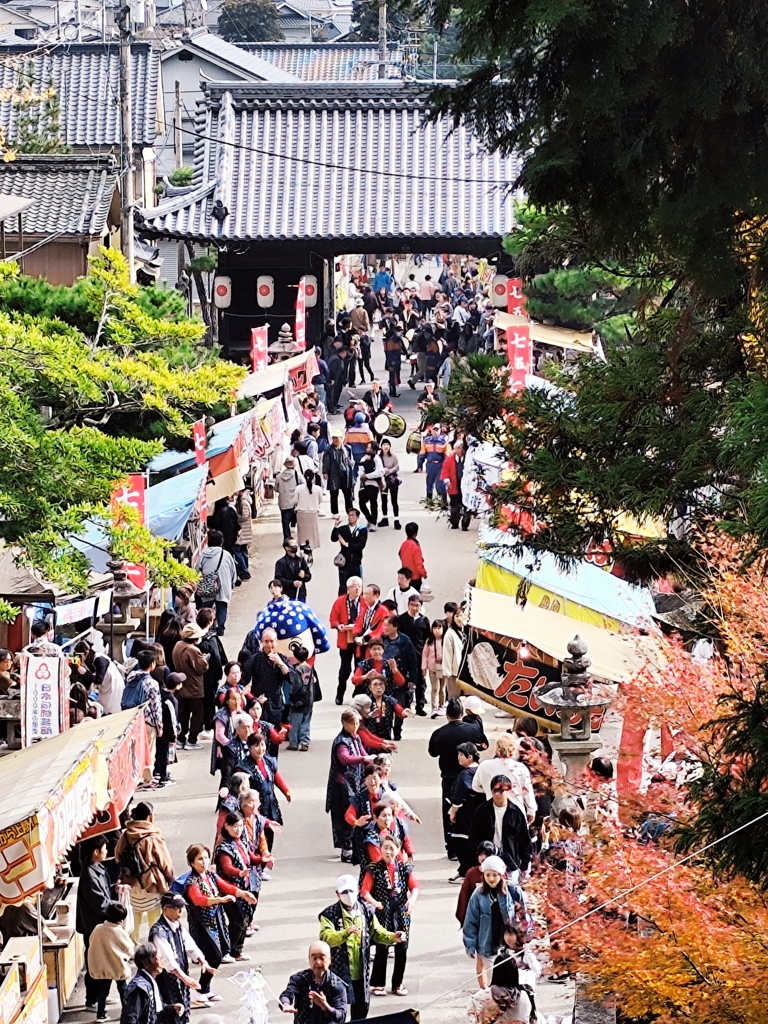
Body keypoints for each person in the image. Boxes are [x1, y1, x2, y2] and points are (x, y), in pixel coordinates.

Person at [318, 876, 404, 1020]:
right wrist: (345, 933)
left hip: (361, 972)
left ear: (357, 891)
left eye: (351, 891)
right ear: (337, 894)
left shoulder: (366, 910)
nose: (349, 896)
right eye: (344, 892)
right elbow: (327, 937)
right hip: (338, 973)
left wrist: (393, 937)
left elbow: (377, 932)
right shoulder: (330, 914)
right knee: (337, 1012)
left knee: (361, 1010)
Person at [183, 844, 253, 990]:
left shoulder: (209, 875)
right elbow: (198, 899)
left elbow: (224, 886)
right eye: (200, 859)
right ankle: (201, 990)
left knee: (216, 956)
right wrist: (219, 900)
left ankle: (204, 989)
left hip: (216, 920)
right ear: (191, 862)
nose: (204, 862)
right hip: (202, 925)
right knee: (214, 956)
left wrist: (242, 893)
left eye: (206, 858)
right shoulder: (192, 882)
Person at [428, 698, 487, 860]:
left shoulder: (439, 733)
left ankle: (452, 848)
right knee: (471, 812)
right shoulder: (473, 730)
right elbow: (483, 744)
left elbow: (433, 752)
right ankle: (473, 845)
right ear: (462, 714)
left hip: (449, 778)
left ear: (447, 715)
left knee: (449, 813)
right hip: (472, 777)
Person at [361, 834, 419, 997]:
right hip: (383, 912)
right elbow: (364, 891)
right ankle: (377, 984)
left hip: (401, 911)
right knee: (382, 946)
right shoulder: (373, 868)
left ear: (397, 850)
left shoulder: (404, 867)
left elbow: (414, 886)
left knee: (402, 947)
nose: (388, 851)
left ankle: (397, 984)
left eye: (391, 848)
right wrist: (375, 903)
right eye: (385, 847)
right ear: (381, 849)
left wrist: (412, 900)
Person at [76, 835, 126, 1011]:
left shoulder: (98, 868)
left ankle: (99, 996)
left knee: (104, 961)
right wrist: (118, 908)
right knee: (95, 962)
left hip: (101, 925)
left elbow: (105, 894)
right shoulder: (89, 875)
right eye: (104, 849)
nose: (107, 852)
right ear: (96, 852)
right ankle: (92, 999)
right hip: (93, 926)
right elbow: (100, 904)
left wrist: (116, 890)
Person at [115, 801, 175, 943]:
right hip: (151, 884)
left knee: (133, 918)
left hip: (131, 884)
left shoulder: (126, 835)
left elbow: (118, 856)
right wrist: (171, 879)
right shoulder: (153, 837)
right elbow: (165, 862)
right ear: (149, 817)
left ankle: (130, 947)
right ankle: (155, 945)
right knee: (154, 919)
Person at [150, 892, 218, 1014]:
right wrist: (184, 977)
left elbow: (190, 945)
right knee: (172, 1010)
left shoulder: (177, 925)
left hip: (181, 974)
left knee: (184, 1008)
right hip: (167, 978)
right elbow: (168, 959)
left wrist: (202, 961)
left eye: (182, 908)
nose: (181, 911)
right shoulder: (159, 931)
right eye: (177, 908)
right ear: (166, 909)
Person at [462, 856, 523, 989]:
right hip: (488, 945)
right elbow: (471, 921)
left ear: (501, 874)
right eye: (487, 875)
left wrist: (525, 933)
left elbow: (526, 913)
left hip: (510, 944)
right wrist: (470, 944)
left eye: (494, 875)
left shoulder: (512, 890)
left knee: (513, 979)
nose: (491, 878)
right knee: (494, 982)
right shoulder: (478, 895)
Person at [326, 710, 374, 862]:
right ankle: (346, 849)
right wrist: (363, 758)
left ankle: (354, 846)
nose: (355, 726)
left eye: (357, 723)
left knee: (356, 812)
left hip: (356, 782)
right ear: (344, 723)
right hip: (342, 785)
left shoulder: (356, 738)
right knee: (344, 816)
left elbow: (362, 753)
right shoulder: (341, 742)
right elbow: (345, 758)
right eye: (352, 723)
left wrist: (374, 762)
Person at [467, 776, 533, 882]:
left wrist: (525, 865)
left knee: (510, 894)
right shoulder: (482, 811)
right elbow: (473, 838)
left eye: (502, 791)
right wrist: (475, 861)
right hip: (487, 860)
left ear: (509, 791)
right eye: (495, 791)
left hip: (510, 863)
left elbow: (524, 840)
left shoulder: (516, 813)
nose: (498, 794)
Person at [213, 812, 259, 960]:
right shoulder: (224, 847)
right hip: (229, 890)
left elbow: (251, 858)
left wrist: (263, 859)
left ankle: (237, 951)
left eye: (240, 826)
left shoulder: (241, 842)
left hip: (243, 888)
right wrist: (240, 873)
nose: (238, 829)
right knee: (237, 920)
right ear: (226, 826)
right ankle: (228, 950)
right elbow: (227, 868)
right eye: (234, 826)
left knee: (245, 919)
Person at [237, 733, 292, 841]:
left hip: (270, 805)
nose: (260, 749)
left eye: (262, 745)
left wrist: (286, 792)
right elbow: (242, 793)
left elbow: (277, 777)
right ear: (250, 747)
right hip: (254, 807)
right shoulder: (243, 767)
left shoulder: (269, 761)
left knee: (270, 833)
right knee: (256, 837)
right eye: (256, 746)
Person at [278, 942, 347, 1024]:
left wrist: (325, 1006)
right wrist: (285, 1004)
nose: (318, 962)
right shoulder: (299, 979)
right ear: (309, 960)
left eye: (322, 958)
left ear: (330, 960)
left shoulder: (337, 985)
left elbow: (341, 1017)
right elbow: (287, 994)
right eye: (314, 958)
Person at [471, 736, 537, 822]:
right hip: (517, 813)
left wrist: (488, 789)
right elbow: (527, 792)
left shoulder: (484, 765)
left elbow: (475, 786)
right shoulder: (521, 768)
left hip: (493, 810)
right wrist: (531, 810)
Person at [121, 650, 163, 785]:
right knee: (149, 750)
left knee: (134, 749)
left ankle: (135, 776)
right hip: (147, 720)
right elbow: (156, 707)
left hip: (132, 718)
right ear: (152, 664)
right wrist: (159, 725)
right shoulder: (152, 683)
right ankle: (147, 778)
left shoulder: (131, 677)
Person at [86, 902, 133, 1021]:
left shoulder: (98, 929)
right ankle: (127, 1012)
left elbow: (92, 942)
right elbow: (129, 949)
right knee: (123, 990)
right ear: (121, 920)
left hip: (103, 966)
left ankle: (100, 1014)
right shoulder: (119, 932)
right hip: (118, 966)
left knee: (103, 990)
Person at [242, 627, 293, 730]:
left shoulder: (282, 658)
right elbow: (243, 681)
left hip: (276, 704)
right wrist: (253, 699)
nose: (269, 645)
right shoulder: (255, 659)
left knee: (274, 736)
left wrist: (280, 663)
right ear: (261, 642)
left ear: (276, 642)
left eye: (272, 641)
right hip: (259, 704)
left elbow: (291, 678)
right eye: (266, 641)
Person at [120, 943, 183, 1024]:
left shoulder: (150, 982)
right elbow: (130, 1018)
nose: (162, 962)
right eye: (158, 959)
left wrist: (172, 1009)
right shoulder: (139, 988)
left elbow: (154, 1011)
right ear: (146, 964)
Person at [448, 743, 483, 879]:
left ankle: (465, 872)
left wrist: (453, 811)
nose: (458, 757)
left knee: (462, 842)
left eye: (461, 755)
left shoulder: (465, 774)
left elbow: (459, 796)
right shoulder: (481, 771)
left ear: (470, 757)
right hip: (479, 813)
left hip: (466, 813)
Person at [172, 622, 209, 750]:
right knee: (197, 715)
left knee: (183, 714)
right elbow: (202, 667)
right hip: (194, 687)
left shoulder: (178, 645)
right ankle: (192, 740)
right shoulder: (193, 650)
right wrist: (206, 659)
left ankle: (181, 738)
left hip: (182, 686)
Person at [381, 617, 419, 736]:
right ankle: (385, 730)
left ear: (395, 627)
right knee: (384, 707)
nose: (385, 628)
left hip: (400, 679)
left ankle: (397, 729)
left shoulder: (405, 641)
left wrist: (412, 679)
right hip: (383, 680)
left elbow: (412, 661)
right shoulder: (382, 639)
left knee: (399, 705)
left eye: (387, 626)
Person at [196, 529, 237, 636]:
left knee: (206, 606)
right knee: (222, 606)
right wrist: (232, 583)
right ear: (221, 541)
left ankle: (205, 626)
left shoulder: (204, 555)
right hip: (223, 585)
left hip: (208, 586)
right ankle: (220, 627)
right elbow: (233, 571)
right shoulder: (226, 555)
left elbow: (197, 570)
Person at [329, 576, 362, 705]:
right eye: (355, 586)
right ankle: (340, 692)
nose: (357, 589)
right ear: (348, 588)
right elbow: (333, 618)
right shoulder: (340, 601)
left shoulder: (364, 601)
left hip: (360, 639)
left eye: (359, 586)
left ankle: (358, 692)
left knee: (359, 667)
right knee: (345, 668)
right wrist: (338, 625)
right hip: (345, 638)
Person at [397, 594, 430, 716]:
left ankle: (420, 706)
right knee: (406, 681)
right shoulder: (401, 619)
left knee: (421, 682)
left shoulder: (424, 621)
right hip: (405, 655)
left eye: (417, 605)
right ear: (408, 604)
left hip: (420, 654)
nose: (414, 608)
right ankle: (406, 705)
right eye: (412, 605)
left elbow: (427, 639)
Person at [197, 606, 226, 735]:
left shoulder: (195, 638)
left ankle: (202, 725)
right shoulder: (211, 639)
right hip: (210, 676)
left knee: (203, 702)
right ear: (210, 621)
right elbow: (217, 659)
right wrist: (219, 675)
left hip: (198, 675)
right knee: (209, 702)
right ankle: (208, 726)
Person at [363, 674, 414, 741]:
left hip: (386, 738)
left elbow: (398, 709)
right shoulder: (365, 701)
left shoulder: (389, 700)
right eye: (375, 684)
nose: (378, 687)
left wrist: (403, 712)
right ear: (370, 687)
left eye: (381, 684)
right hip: (370, 738)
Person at [210, 689, 245, 785]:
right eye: (233, 699)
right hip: (225, 750)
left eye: (239, 699)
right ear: (227, 701)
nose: (237, 702)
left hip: (240, 751)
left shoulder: (241, 714)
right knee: (227, 778)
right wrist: (232, 746)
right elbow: (219, 735)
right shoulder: (222, 715)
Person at [155, 671, 183, 787]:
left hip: (158, 728)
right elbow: (172, 719)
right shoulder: (171, 700)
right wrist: (174, 735)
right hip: (167, 731)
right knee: (164, 753)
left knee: (159, 752)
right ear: (177, 685)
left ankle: (158, 771)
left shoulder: (161, 694)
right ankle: (163, 776)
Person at [331, 508, 367, 594]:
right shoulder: (343, 529)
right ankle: (341, 605)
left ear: (357, 517)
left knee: (357, 586)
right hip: (344, 563)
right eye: (349, 515)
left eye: (353, 515)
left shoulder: (362, 530)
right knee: (343, 586)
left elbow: (360, 546)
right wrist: (336, 526)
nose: (350, 517)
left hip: (356, 562)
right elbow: (333, 538)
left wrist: (347, 544)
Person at [287, 644, 316, 751]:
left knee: (295, 721)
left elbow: (296, 685)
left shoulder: (297, 670)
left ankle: (293, 743)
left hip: (298, 700)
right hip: (309, 699)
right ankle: (305, 742)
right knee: (306, 721)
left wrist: (291, 693)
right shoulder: (309, 668)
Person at [322, 430, 355, 516]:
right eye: (333, 438)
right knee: (334, 493)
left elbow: (350, 460)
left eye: (337, 438)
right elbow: (326, 462)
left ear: (341, 438)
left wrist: (351, 465)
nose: (335, 440)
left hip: (345, 473)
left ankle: (349, 510)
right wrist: (325, 472)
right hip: (334, 473)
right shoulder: (328, 449)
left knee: (348, 493)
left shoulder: (347, 448)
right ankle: (335, 512)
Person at [441, 439, 471, 530]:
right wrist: (447, 480)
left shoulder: (468, 459)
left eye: (462, 448)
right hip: (454, 485)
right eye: (458, 448)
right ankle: (454, 522)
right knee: (454, 505)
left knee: (466, 505)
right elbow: (445, 471)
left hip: (466, 486)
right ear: (454, 449)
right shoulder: (449, 459)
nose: (460, 450)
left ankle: (465, 524)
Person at [352, 584, 389, 658]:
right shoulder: (365, 609)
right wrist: (356, 636)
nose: (365, 597)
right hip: (361, 644)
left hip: (374, 645)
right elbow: (358, 624)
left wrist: (364, 638)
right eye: (364, 594)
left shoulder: (383, 611)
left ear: (376, 595)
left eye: (368, 594)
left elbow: (380, 629)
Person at [419, 424, 449, 503]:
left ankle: (444, 501)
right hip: (430, 465)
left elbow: (447, 455)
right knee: (429, 483)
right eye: (434, 430)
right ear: (431, 431)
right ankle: (429, 501)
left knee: (440, 484)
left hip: (440, 465)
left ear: (440, 430)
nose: (436, 431)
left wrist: (447, 467)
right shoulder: (427, 441)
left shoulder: (443, 441)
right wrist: (420, 465)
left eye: (437, 430)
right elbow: (422, 453)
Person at [423, 619, 445, 717]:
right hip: (432, 668)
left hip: (444, 667)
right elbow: (425, 654)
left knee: (443, 689)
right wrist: (424, 667)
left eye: (439, 628)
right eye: (435, 628)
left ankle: (442, 706)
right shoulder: (429, 641)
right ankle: (434, 708)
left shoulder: (446, 640)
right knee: (435, 688)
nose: (437, 630)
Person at [295, 470, 323, 551]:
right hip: (313, 513)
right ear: (314, 478)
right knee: (312, 533)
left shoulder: (298, 488)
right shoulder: (318, 489)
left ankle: (303, 549)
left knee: (302, 533)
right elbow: (320, 500)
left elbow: (295, 501)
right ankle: (311, 548)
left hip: (301, 513)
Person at [443, 607, 466, 701]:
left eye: (461, 615)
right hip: (454, 672)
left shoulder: (468, 631)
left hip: (467, 671)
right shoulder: (450, 633)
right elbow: (447, 653)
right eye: (456, 616)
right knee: (454, 698)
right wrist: (447, 673)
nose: (459, 618)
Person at [276, 457, 301, 542]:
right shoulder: (297, 475)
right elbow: (303, 484)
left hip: (284, 503)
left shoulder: (279, 477)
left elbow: (276, 488)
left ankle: (287, 539)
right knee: (296, 520)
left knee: (285, 522)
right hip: (294, 502)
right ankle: (295, 535)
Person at [378, 438, 401, 529]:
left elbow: (397, 466)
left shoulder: (394, 456)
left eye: (387, 445)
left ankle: (396, 520)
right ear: (381, 446)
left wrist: (390, 470)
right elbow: (376, 467)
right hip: (383, 480)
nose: (386, 446)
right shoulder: (378, 457)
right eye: (384, 445)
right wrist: (383, 470)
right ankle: (385, 518)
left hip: (392, 480)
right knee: (384, 500)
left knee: (394, 500)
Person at [398, 522, 428, 591]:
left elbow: (400, 554)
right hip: (415, 577)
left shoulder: (404, 544)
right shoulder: (415, 546)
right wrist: (424, 573)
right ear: (416, 533)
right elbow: (418, 563)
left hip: (405, 574)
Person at [234, 489, 253, 582]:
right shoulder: (243, 501)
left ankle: (244, 571)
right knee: (243, 551)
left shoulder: (243, 502)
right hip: (244, 532)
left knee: (237, 551)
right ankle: (245, 570)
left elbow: (245, 516)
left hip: (243, 531)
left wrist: (235, 516)